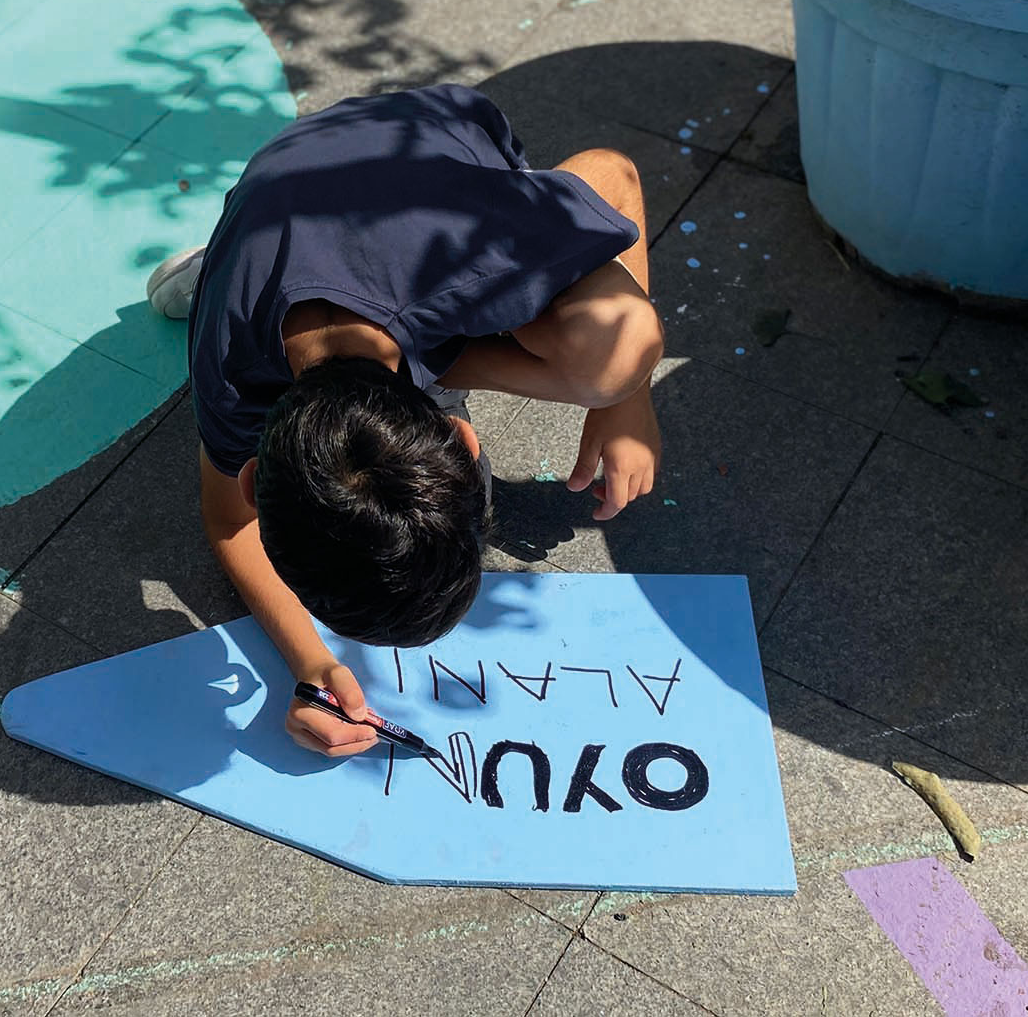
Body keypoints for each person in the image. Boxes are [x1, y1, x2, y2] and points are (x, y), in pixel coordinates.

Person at [148, 84, 664, 758]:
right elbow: (229, 522)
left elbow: (614, 174)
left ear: (460, 433)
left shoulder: (483, 253)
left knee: (617, 353)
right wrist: (311, 661)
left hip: (425, 149)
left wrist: (625, 400)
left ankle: (229, 258)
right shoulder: (232, 378)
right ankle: (222, 259)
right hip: (280, 216)